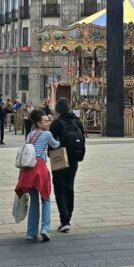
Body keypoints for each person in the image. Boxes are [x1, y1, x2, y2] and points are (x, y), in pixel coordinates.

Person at [15, 110, 59, 242]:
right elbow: (56, 145)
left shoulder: (30, 135)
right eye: (46, 121)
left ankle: (31, 232)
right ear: (39, 123)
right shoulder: (47, 134)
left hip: (28, 171)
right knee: (45, 199)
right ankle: (45, 229)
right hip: (39, 169)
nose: (49, 123)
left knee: (34, 201)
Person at [49, 98, 86, 233]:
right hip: (74, 159)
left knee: (59, 189)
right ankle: (69, 216)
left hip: (60, 159)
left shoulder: (56, 123)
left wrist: (50, 155)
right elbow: (83, 139)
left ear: (58, 110)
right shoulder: (77, 121)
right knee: (70, 187)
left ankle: (64, 220)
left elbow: (51, 143)